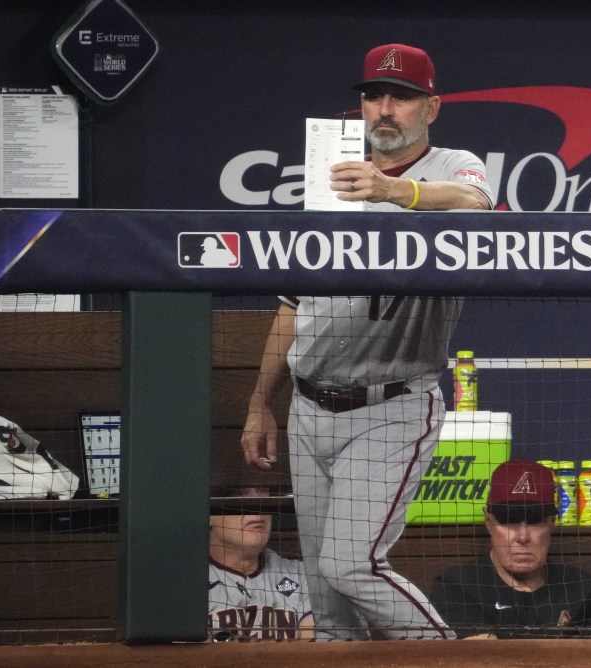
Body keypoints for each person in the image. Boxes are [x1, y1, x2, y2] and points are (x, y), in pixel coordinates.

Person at [240, 42, 493, 641]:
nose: (384, 108)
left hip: (390, 406)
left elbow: (477, 204)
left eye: (401, 97)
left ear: (432, 106)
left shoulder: (455, 166)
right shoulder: (332, 177)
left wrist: (393, 192)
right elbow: (292, 305)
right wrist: (259, 401)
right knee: (328, 604)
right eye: (373, 96)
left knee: (352, 565)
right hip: (307, 407)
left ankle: (453, 658)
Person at [430, 460, 591, 638]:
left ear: (551, 523)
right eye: (509, 520)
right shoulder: (457, 588)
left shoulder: (586, 590)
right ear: (488, 522)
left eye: (535, 521)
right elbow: (482, 661)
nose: (523, 537)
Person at [207, 486, 314, 641]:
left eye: (263, 494)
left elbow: (312, 653)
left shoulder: (302, 575)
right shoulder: (185, 581)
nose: (256, 508)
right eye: (239, 493)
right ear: (209, 512)